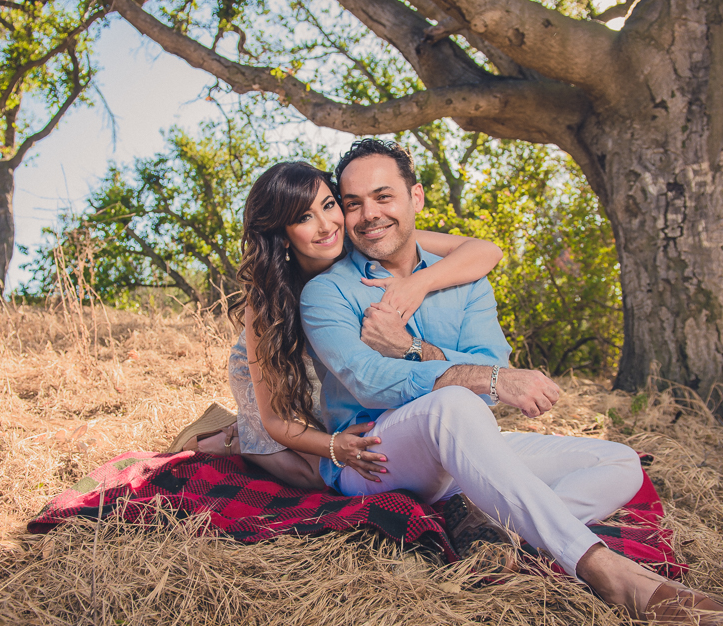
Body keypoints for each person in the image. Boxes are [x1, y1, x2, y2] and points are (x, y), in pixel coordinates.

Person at [297, 139, 723, 626]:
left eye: (383, 197)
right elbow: (370, 382)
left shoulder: (465, 282)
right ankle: (607, 570)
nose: (368, 214)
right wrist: (481, 378)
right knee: (453, 404)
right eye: (353, 202)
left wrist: (415, 350)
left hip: (462, 443)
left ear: (416, 199)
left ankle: (488, 524)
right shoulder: (327, 291)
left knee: (618, 463)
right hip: (374, 453)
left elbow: (494, 365)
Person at [185, 160, 503, 491]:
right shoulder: (266, 300)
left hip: (336, 363)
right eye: (304, 218)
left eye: (329, 205)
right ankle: (235, 440)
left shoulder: (363, 239)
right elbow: (275, 420)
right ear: (281, 235)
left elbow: (486, 250)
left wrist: (419, 283)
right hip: (282, 365)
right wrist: (334, 447)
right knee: (314, 478)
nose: (326, 226)